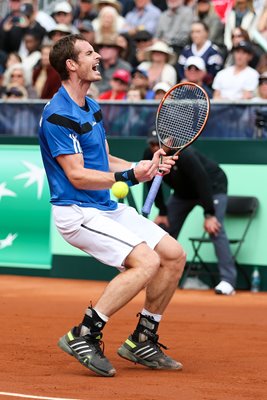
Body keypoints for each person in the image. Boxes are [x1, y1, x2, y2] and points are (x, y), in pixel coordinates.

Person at [38, 33, 186, 377]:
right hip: (77, 211)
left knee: (173, 255)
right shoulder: (58, 115)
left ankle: (142, 339)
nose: (98, 57)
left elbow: (102, 160)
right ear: (71, 65)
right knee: (146, 261)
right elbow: (77, 175)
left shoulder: (91, 106)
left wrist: (145, 167)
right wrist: (131, 177)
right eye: (90, 53)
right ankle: (84, 333)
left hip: (104, 206)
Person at [144, 130, 237, 296]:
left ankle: (228, 281)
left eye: (158, 144)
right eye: (152, 144)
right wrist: (163, 211)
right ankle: (155, 275)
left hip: (212, 187)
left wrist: (209, 214)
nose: (154, 148)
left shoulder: (185, 154)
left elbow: (202, 181)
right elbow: (152, 182)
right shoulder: (152, 154)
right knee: (164, 228)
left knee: (215, 228)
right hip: (183, 193)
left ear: (170, 141)